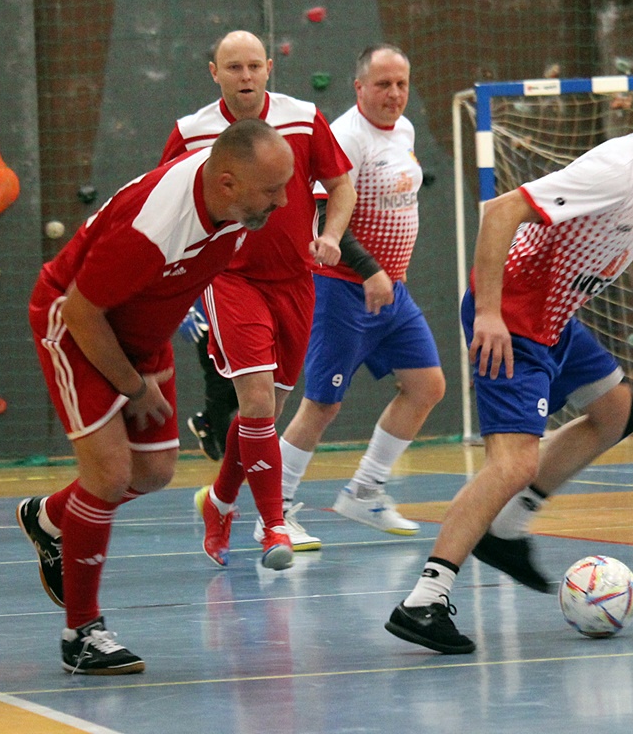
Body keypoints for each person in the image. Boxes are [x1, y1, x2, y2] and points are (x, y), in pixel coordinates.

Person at [385, 61, 633, 654]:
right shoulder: (617, 170)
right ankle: (425, 599)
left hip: (552, 319)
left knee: (617, 411)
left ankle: (503, 529)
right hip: (513, 319)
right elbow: (501, 211)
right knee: (512, 464)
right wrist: (489, 313)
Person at [16, 118, 295, 675]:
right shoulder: (156, 227)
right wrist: (133, 385)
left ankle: (50, 519)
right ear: (228, 182)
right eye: (272, 189)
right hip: (76, 327)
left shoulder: (236, 210)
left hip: (140, 332)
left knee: (154, 472)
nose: (283, 200)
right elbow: (82, 312)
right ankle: (81, 634)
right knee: (108, 475)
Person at [160, 30, 356, 571]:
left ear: (269, 67)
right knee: (257, 404)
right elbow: (166, 203)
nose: (245, 76)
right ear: (214, 73)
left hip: (295, 282)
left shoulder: (303, 119)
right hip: (230, 280)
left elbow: (342, 186)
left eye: (253, 66)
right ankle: (273, 527)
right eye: (233, 67)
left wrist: (332, 236)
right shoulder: (192, 133)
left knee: (265, 412)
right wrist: (177, 280)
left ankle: (219, 502)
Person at [273, 44, 446, 551]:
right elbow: (323, 213)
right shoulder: (347, 136)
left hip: (390, 290)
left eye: (401, 84)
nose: (394, 94)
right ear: (359, 87)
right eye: (383, 84)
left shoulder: (404, 130)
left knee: (426, 386)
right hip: (343, 288)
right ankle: (274, 510)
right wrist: (369, 270)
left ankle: (365, 490)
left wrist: (386, 273)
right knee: (322, 404)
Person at [176, 297, 238, 462]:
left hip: (236, 317)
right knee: (218, 383)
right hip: (207, 320)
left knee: (256, 382)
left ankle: (205, 421)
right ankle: (229, 455)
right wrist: (185, 311)